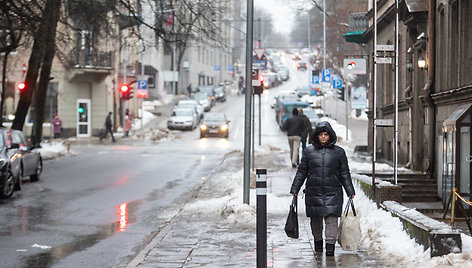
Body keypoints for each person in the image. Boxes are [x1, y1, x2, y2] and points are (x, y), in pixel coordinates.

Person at [290, 121, 355, 256]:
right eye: (321, 134)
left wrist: (350, 191)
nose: (324, 137)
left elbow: (344, 173)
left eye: (326, 134)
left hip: (333, 192)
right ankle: (318, 244)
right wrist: (295, 189)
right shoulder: (308, 152)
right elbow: (301, 172)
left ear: (330, 135)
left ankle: (330, 248)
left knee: (332, 220)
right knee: (316, 220)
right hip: (314, 191)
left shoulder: (339, 152)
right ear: (317, 136)